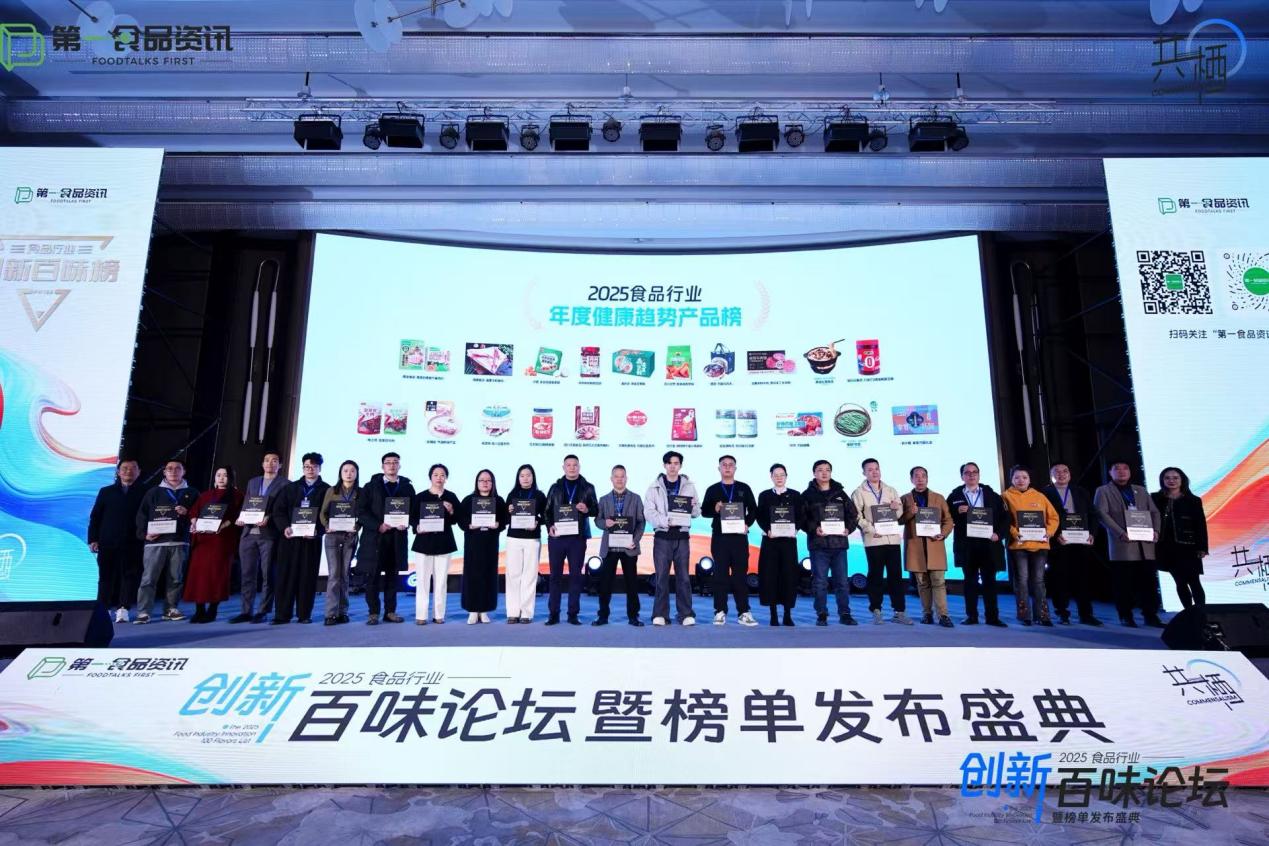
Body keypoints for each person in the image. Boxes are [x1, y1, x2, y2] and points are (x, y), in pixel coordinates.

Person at [1094, 461, 1164, 627]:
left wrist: (1156, 531)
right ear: (1110, 472)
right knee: (1123, 584)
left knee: (1148, 583)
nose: (1121, 471)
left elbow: (1154, 512)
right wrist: (1120, 532)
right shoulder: (1103, 491)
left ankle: (1151, 615)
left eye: (1125, 468)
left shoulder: (1140, 490)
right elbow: (1101, 514)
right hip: (1122, 544)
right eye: (1116, 468)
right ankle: (1126, 615)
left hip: (1145, 544)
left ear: (1130, 471)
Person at [134, 458, 199, 624]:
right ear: (164, 472)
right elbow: (142, 515)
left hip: (180, 541)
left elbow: (199, 515)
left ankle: (171, 609)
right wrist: (144, 534)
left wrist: (187, 512)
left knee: (176, 578)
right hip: (155, 542)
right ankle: (143, 612)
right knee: (148, 579)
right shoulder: (153, 492)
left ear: (184, 472)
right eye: (169, 468)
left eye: (178, 468)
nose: (173, 471)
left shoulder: (192, 493)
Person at [947, 462, 1010, 627]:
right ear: (962, 476)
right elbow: (945, 518)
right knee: (970, 582)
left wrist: (999, 534)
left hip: (989, 544)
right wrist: (955, 511)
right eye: (967, 472)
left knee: (990, 581)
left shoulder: (992, 495)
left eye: (974, 472)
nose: (971, 475)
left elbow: (1005, 518)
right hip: (966, 545)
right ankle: (971, 616)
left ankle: (992, 617)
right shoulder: (954, 496)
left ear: (979, 475)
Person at [270, 452, 330, 625]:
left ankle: (304, 614)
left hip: (311, 541)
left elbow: (329, 514)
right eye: (306, 466)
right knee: (285, 576)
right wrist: (285, 527)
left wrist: (318, 531)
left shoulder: (327, 489)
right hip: (289, 540)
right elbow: (278, 511)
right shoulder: (290, 488)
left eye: (314, 466)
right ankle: (282, 615)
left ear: (319, 468)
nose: (310, 470)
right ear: (303, 468)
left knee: (307, 577)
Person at [229, 451, 288, 624]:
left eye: (274, 460)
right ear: (262, 464)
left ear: (280, 465)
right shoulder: (253, 482)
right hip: (248, 533)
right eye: (267, 460)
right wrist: (241, 517)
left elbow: (283, 509)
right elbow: (247, 504)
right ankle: (246, 611)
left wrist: (269, 517)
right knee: (247, 573)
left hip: (268, 534)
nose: (270, 463)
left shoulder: (285, 484)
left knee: (267, 574)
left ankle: (263, 611)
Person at [700, 455, 760, 627]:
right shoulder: (713, 489)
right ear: (719, 468)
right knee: (720, 575)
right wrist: (715, 508)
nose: (727, 467)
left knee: (740, 576)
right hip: (720, 538)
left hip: (739, 538)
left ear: (735, 468)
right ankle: (720, 611)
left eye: (730, 465)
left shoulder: (744, 488)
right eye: (724, 465)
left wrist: (747, 524)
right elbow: (704, 511)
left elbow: (753, 510)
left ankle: (744, 612)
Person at [644, 450, 701, 627]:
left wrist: (693, 507)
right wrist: (665, 521)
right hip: (662, 536)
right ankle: (660, 614)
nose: (673, 467)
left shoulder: (689, 486)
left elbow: (696, 512)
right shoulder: (654, 487)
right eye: (669, 463)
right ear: (665, 465)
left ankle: (685, 614)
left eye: (676, 463)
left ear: (680, 466)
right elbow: (648, 512)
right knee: (661, 577)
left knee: (683, 577)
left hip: (682, 536)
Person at [1041, 462, 1102, 626]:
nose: (1061, 474)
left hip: (1081, 541)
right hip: (1058, 542)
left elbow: (1093, 514)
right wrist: (1055, 535)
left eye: (1065, 471)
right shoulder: (1044, 493)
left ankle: (1086, 614)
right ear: (1051, 475)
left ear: (1069, 474)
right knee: (1059, 579)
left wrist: (1092, 533)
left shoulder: (1081, 491)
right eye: (1057, 472)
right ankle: (1062, 613)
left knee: (1083, 579)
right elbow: (1041, 518)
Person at [357, 452, 414, 625]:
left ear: (399, 466)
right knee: (372, 577)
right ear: (382, 466)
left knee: (392, 577)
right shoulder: (370, 486)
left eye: (395, 462)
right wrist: (378, 525)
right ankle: (373, 613)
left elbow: (413, 511)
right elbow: (361, 512)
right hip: (375, 539)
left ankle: (390, 612)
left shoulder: (407, 487)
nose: (392, 465)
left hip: (396, 539)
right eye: (388, 462)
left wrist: (408, 523)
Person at [851, 458, 910, 625]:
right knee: (875, 576)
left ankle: (899, 612)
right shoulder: (859, 492)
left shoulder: (890, 490)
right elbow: (856, 516)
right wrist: (870, 529)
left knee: (896, 576)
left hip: (892, 539)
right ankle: (876, 610)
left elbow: (898, 514)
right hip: (874, 540)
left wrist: (896, 508)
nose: (874, 472)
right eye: (870, 470)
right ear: (864, 473)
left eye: (876, 468)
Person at [801, 459, 860, 626]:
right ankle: (821, 613)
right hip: (818, 545)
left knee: (842, 582)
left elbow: (853, 515)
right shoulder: (807, 495)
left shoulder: (840, 493)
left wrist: (848, 529)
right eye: (820, 470)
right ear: (814, 473)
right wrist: (814, 529)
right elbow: (802, 518)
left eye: (827, 469)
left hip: (839, 544)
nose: (824, 473)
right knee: (820, 582)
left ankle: (845, 614)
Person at [88, 457, 146, 623]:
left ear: (139, 472)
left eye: (133, 468)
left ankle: (123, 608)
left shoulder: (146, 492)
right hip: (107, 541)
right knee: (105, 577)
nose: (129, 471)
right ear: (118, 472)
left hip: (134, 541)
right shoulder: (106, 492)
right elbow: (96, 516)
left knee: (129, 576)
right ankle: (103, 609)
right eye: (125, 468)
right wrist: (93, 538)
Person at [543, 455, 599, 625]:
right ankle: (553, 614)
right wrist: (549, 527)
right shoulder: (555, 488)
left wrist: (587, 509)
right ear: (564, 467)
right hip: (557, 538)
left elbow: (596, 510)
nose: (572, 468)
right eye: (569, 465)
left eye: (575, 465)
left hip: (577, 538)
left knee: (575, 576)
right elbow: (546, 512)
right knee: (555, 576)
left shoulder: (588, 487)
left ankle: (573, 614)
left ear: (579, 467)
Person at [184, 465, 243, 623]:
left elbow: (238, 516)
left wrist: (223, 525)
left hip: (221, 540)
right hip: (203, 540)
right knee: (199, 575)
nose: (221, 478)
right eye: (218, 475)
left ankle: (212, 610)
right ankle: (199, 610)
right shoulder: (205, 495)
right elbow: (194, 512)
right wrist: (194, 522)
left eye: (225, 475)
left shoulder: (237, 496)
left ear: (231, 478)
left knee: (217, 575)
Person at [898, 466, 955, 627]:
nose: (920, 479)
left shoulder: (938, 498)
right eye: (916, 476)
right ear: (911, 479)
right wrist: (910, 512)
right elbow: (899, 520)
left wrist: (943, 533)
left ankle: (943, 615)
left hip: (934, 544)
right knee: (922, 583)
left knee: (938, 581)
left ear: (927, 478)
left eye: (923, 475)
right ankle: (927, 614)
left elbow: (948, 520)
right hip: (916, 547)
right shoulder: (905, 499)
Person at [1002, 465, 1059, 626]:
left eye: (1024, 477)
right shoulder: (1005, 496)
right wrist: (1014, 533)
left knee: (1038, 581)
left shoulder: (1039, 496)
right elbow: (1004, 520)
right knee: (1021, 580)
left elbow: (1053, 517)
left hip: (1040, 544)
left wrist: (1049, 532)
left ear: (1029, 480)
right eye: (1017, 477)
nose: (1021, 480)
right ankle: (1024, 615)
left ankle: (1042, 615)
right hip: (1018, 545)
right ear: (1011, 480)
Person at [593, 465, 646, 627]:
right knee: (605, 584)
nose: (619, 479)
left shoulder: (636, 498)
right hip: (610, 547)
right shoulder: (603, 499)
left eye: (622, 476)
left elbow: (641, 522)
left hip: (629, 547)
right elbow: (597, 520)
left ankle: (633, 616)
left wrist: (635, 540)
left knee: (631, 583)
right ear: (611, 479)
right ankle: (603, 616)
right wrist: (605, 523)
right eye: (616, 476)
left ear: (626, 478)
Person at [410, 463, 462, 625]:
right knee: (422, 581)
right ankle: (421, 615)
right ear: (430, 477)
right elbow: (412, 517)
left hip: (444, 543)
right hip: (423, 543)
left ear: (446, 478)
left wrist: (451, 510)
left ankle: (439, 614)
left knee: (441, 582)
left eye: (442, 475)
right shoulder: (420, 496)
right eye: (436, 475)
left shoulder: (451, 496)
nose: (439, 478)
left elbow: (458, 519)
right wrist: (417, 527)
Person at [1152, 467, 1209, 609]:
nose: (1171, 480)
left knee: (1194, 581)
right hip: (1166, 546)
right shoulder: (1155, 498)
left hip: (1189, 546)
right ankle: (1188, 612)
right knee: (1180, 581)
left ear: (1182, 480)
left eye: (1175, 478)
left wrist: (1202, 547)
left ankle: (1201, 612)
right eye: (1167, 478)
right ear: (1162, 480)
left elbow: (1200, 525)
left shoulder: (1193, 500)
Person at [456, 469, 507, 624]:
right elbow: (460, 519)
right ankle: (472, 610)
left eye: (488, 480)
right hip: (473, 544)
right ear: (476, 483)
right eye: (481, 480)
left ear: (492, 483)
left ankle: (484, 610)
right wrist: (469, 525)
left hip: (490, 543)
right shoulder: (468, 500)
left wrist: (498, 524)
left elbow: (504, 519)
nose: (485, 483)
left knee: (488, 576)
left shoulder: (498, 500)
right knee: (472, 576)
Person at [756, 463, 802, 626]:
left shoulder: (795, 495)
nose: (779, 478)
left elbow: (801, 515)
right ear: (771, 477)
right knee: (770, 576)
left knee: (788, 576)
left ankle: (788, 614)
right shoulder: (764, 495)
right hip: (770, 541)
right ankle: (773, 614)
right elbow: (760, 516)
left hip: (788, 542)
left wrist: (795, 529)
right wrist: (767, 529)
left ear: (786, 476)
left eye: (782, 475)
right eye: (776, 475)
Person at [504, 464, 547, 623]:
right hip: (514, 538)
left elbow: (546, 516)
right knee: (513, 575)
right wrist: (508, 511)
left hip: (532, 539)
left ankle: (526, 613)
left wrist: (537, 521)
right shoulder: (512, 494)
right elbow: (505, 518)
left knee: (530, 575)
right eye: (522, 476)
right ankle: (513, 612)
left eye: (528, 475)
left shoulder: (539, 495)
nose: (525, 478)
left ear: (533, 477)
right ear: (518, 478)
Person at [318, 460, 360, 625]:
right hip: (333, 536)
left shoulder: (360, 492)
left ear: (356, 473)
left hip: (350, 536)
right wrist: (326, 526)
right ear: (340, 473)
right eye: (345, 470)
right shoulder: (332, 490)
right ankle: (330, 614)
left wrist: (357, 527)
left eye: (352, 471)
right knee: (334, 575)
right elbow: (323, 513)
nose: (349, 474)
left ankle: (343, 612)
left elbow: (362, 514)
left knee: (345, 574)